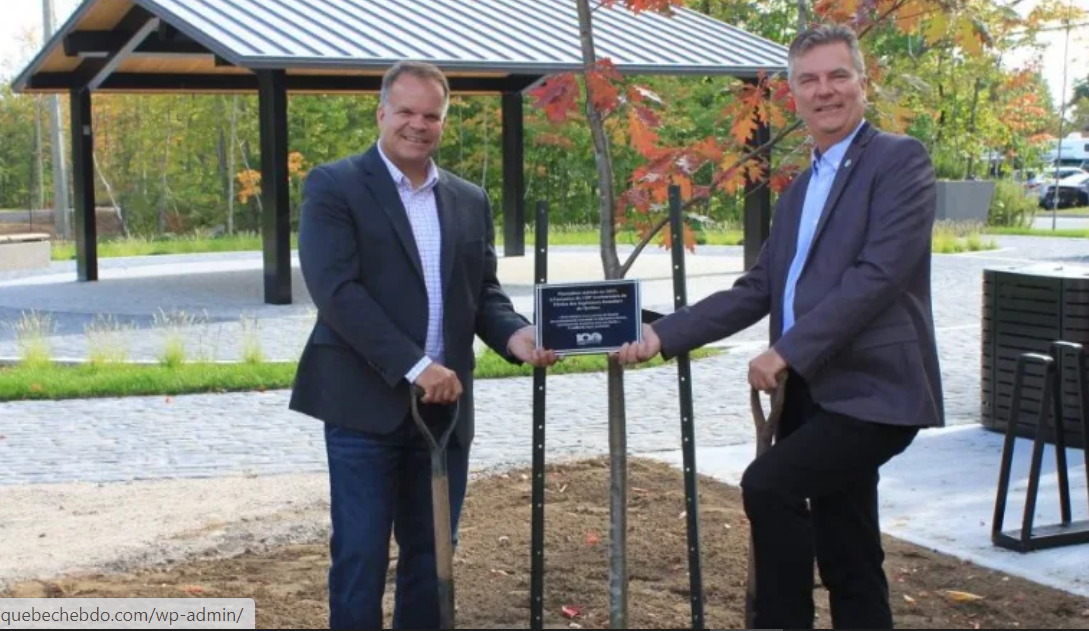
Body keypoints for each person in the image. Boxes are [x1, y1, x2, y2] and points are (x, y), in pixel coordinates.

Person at [615, 24, 944, 629]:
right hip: (809, 395)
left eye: (838, 76)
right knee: (849, 550)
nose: (825, 91)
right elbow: (759, 288)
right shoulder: (798, 190)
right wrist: (664, 334)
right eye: (808, 80)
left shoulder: (899, 160)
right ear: (792, 95)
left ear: (863, 83)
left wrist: (785, 351)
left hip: (874, 392)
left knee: (769, 486)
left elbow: (878, 276)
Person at [290, 60, 559, 629]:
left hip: (444, 413)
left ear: (444, 121)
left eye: (431, 115)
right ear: (381, 112)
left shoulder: (468, 198)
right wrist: (416, 366)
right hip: (363, 409)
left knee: (433, 557)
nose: (418, 124)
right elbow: (337, 293)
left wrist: (517, 335)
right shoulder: (334, 185)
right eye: (406, 112)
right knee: (361, 554)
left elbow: (482, 292)